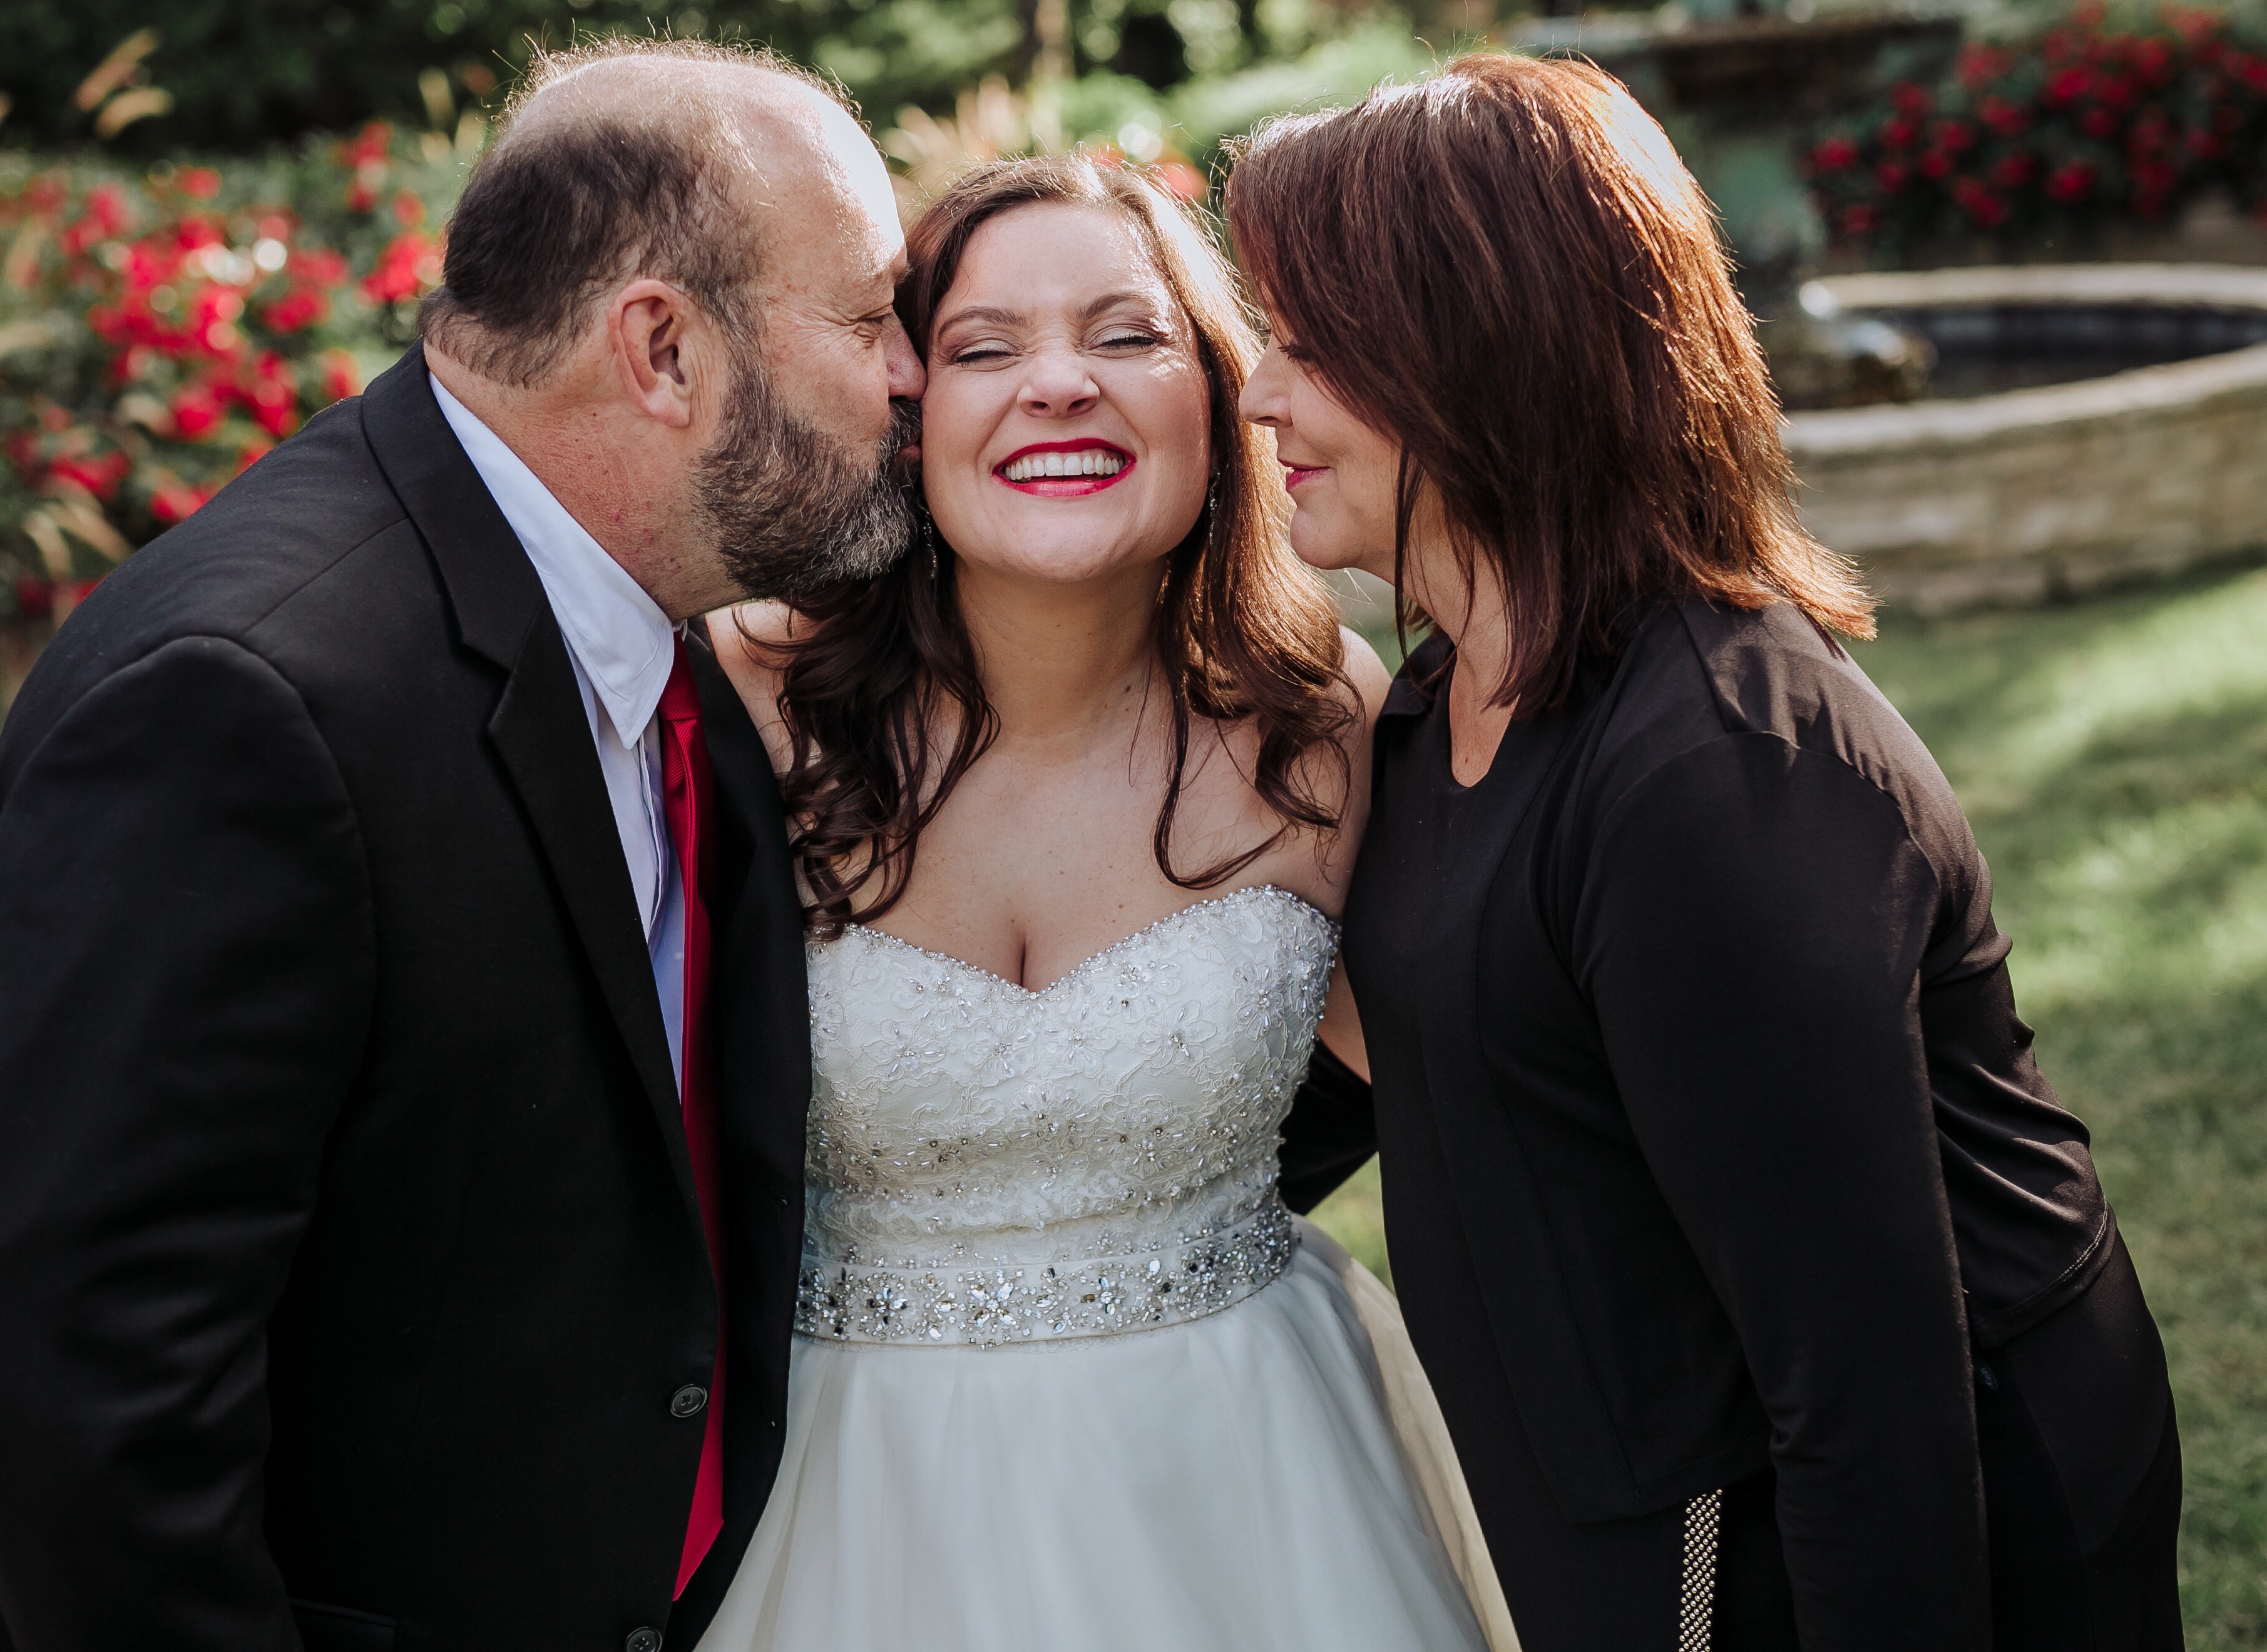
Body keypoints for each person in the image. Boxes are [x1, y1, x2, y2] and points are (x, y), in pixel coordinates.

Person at [0, 41, 923, 1652]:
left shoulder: (649, 636)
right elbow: (84, 1391)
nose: (910, 375)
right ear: (662, 349)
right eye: (870, 320)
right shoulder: (244, 703)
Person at [1232, 54, 2183, 1652]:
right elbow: (1428, 1059)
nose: (1260, 395)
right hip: (1637, 1488)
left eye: (1310, 344)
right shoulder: (1444, 694)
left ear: (1480, 346)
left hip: (1830, 1540)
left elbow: (1868, 1388)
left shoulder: (1718, 777)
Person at [695, 155, 1508, 1652]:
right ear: (903, 406)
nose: (1059, 384)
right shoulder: (738, 704)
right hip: (844, 1500)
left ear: (1220, 397)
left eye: (1127, 336)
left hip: (1255, 1485)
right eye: (984, 348)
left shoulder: (1322, 720)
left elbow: (1438, 1066)